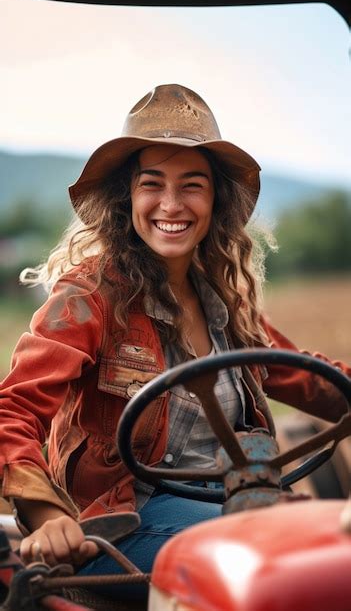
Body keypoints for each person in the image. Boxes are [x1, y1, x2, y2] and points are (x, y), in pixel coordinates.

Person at [0, 84, 349, 598]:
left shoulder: (225, 307)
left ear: (214, 200)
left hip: (234, 500)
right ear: (128, 197)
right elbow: (14, 410)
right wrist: (47, 514)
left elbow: (309, 376)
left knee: (328, 549)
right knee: (271, 564)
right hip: (124, 520)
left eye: (192, 185)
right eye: (152, 183)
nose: (171, 203)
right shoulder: (90, 298)